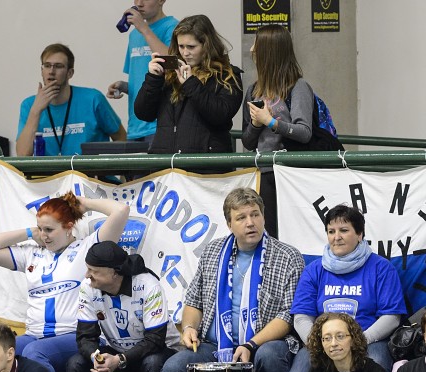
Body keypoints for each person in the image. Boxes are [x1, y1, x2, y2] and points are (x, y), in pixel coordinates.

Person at [161, 187, 304, 372]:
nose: (251, 223)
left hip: (262, 345)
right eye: (241, 217)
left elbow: (288, 316)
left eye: (255, 214)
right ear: (229, 224)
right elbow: (194, 301)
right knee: (172, 370)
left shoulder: (287, 256)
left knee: (271, 357)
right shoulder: (213, 252)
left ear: (263, 217)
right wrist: (188, 328)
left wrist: (250, 345)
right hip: (216, 347)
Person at [0, 193, 129, 372]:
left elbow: (121, 210)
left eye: (49, 229)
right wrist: (30, 233)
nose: (43, 236)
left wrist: (85, 204)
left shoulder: (87, 249)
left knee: (34, 352)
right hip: (34, 335)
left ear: (69, 227)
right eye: (40, 229)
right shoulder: (31, 254)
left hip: (74, 336)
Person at [286, 204, 405, 372]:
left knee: (377, 370)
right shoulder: (314, 270)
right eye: (331, 231)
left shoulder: (381, 268)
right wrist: (318, 342)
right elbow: (301, 317)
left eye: (344, 230)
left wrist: (360, 340)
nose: (336, 237)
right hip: (322, 341)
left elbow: (392, 316)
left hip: (369, 339)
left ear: (359, 234)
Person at [67, 241, 179, 372]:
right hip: (117, 355)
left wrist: (119, 360)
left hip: (157, 352)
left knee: (153, 362)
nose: (87, 275)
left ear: (115, 273)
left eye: (94, 271)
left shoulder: (148, 284)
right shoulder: (87, 287)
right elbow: (85, 336)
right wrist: (96, 359)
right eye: (88, 268)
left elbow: (155, 340)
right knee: (75, 364)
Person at [240, 24, 315, 238]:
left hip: (290, 173)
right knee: (268, 233)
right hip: (263, 174)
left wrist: (271, 122)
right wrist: (256, 125)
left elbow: (304, 132)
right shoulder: (253, 89)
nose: (252, 49)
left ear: (269, 51)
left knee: (292, 233)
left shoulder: (298, 86)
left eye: (257, 44)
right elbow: (247, 141)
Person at [133, 14, 242, 154]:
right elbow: (143, 113)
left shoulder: (227, 75)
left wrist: (191, 83)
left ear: (207, 46)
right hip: (166, 164)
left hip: (205, 166)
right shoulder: (170, 73)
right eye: (181, 46)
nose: (185, 53)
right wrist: (153, 79)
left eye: (191, 47)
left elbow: (220, 115)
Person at [16, 43, 124, 157]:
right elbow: (22, 155)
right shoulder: (29, 105)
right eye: (47, 65)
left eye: (58, 66)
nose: (51, 71)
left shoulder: (93, 99)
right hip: (51, 175)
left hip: (90, 174)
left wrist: (120, 172)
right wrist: (35, 112)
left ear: (70, 73)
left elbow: (121, 138)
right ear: (41, 71)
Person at [108, 1, 177, 145]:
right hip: (135, 126)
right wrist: (123, 86)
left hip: (160, 125)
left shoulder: (173, 27)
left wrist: (145, 30)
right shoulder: (134, 35)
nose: (139, 3)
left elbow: (173, 64)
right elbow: (140, 80)